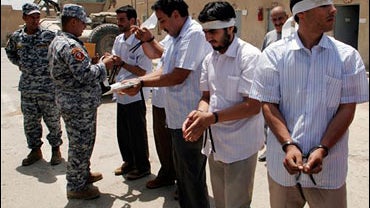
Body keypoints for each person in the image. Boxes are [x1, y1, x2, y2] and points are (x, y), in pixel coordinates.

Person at [249, 0, 369, 207]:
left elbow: (347, 108)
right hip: (283, 169)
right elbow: (268, 105)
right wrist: (288, 144)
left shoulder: (347, 57)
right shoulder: (274, 55)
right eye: (323, 5)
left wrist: (323, 148)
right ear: (301, 14)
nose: (333, 10)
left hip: (329, 170)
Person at [120, 0, 212, 207]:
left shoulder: (193, 34)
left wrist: (141, 81)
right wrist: (139, 81)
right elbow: (164, 67)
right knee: (184, 177)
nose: (161, 26)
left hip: (190, 117)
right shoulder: (176, 37)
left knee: (192, 177)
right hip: (176, 116)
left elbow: (178, 75)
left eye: (162, 20)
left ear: (177, 15)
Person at [182, 2, 265, 207]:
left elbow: (253, 105)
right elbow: (206, 97)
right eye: (205, 32)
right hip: (215, 144)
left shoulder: (250, 57)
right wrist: (199, 115)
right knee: (221, 202)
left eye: (213, 31)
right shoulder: (210, 59)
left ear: (230, 28)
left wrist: (212, 118)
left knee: (237, 203)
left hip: (241, 146)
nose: (208, 37)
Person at [48, 4, 121, 199]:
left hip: (73, 102)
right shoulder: (71, 46)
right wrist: (104, 65)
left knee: (83, 143)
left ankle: (82, 174)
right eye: (82, 23)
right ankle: (76, 186)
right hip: (78, 105)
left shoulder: (59, 41)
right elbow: (86, 76)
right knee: (80, 145)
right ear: (73, 22)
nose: (84, 27)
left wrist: (93, 63)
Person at [5, 3, 63, 167]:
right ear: (24, 18)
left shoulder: (48, 36)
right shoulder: (17, 37)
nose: (35, 20)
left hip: (48, 88)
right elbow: (10, 52)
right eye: (32, 17)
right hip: (28, 88)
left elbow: (60, 52)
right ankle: (35, 150)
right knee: (30, 122)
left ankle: (55, 149)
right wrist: (20, 64)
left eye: (37, 17)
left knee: (53, 120)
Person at [111, 5, 152, 180]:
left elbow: (143, 72)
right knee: (123, 132)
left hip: (136, 93)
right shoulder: (119, 39)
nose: (119, 23)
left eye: (122, 20)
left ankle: (142, 166)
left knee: (137, 133)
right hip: (120, 91)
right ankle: (128, 162)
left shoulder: (140, 42)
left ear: (132, 21)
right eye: (118, 20)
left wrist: (122, 64)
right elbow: (115, 59)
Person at [258, 5, 289, 162]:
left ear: (287, 17)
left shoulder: (293, 36)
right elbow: (262, 58)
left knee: (284, 117)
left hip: (287, 84)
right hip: (270, 84)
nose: (278, 22)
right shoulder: (269, 36)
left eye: (280, 19)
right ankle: (268, 149)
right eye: (274, 19)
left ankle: (285, 147)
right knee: (267, 118)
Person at [146, 36, 176, 189]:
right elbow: (152, 54)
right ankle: (167, 174)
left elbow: (164, 54)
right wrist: (143, 40)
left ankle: (184, 183)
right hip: (159, 99)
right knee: (162, 140)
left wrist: (149, 39)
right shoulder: (170, 37)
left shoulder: (190, 36)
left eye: (163, 20)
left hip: (175, 102)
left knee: (179, 145)